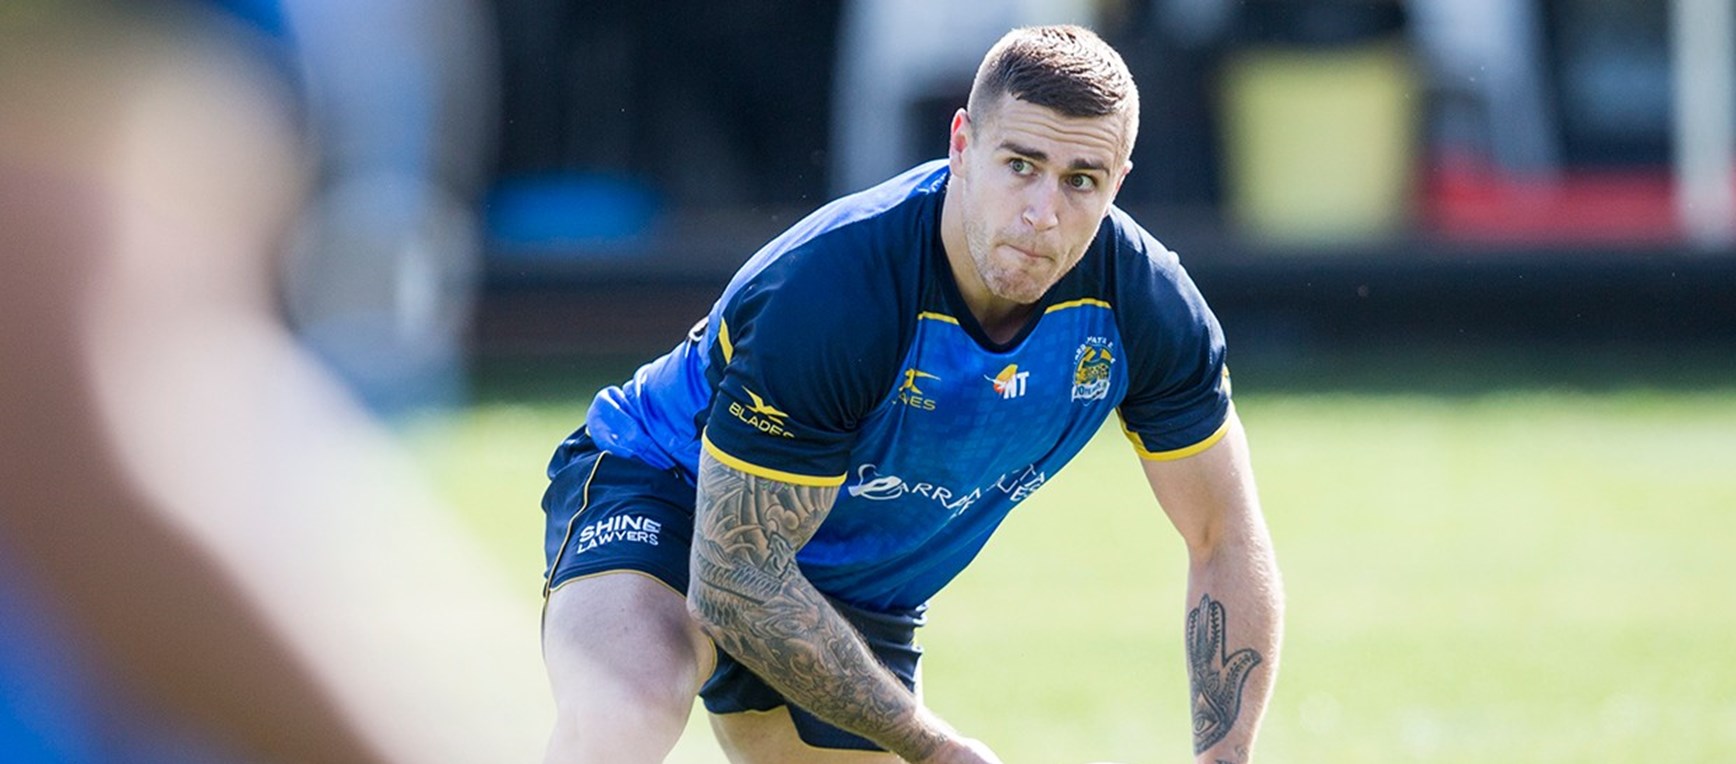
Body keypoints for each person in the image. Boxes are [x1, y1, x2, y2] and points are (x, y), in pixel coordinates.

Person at [540, 25, 1283, 763]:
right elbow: (735, 578)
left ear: (1119, 181)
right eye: (1020, 165)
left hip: (857, 590)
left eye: (1080, 180)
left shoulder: (1148, 306)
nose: (1043, 213)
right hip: (670, 493)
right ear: (961, 145)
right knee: (625, 715)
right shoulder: (838, 288)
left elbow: (1223, 536)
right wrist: (935, 747)